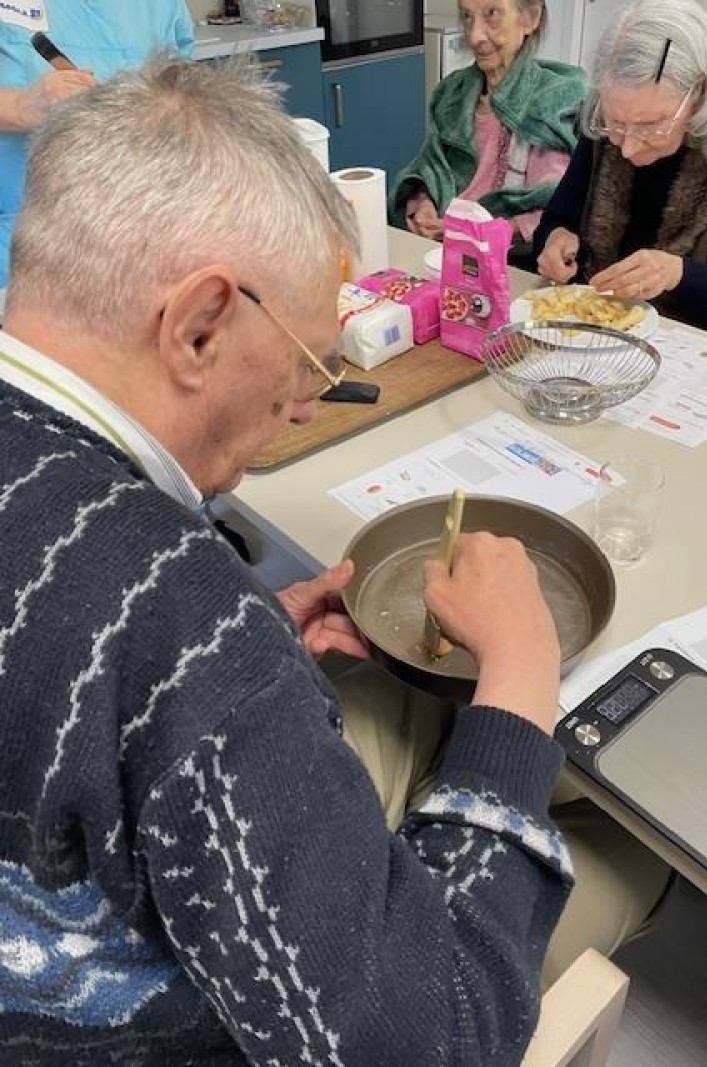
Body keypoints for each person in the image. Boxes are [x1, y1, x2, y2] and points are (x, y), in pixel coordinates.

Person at [0, 59, 574, 1065]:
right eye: (312, 362)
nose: (309, 401)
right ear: (199, 323)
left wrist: (242, 646)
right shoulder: (179, 609)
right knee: (615, 848)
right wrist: (522, 681)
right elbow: (430, 1035)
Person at [532, 0, 707, 350]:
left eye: (650, 127)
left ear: (701, 94)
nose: (626, 147)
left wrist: (678, 274)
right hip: (599, 331)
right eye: (615, 124)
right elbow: (560, 217)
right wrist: (555, 240)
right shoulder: (614, 113)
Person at [0, 1, 194, 289]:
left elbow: (180, 95)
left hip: (137, 232)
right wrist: (20, 105)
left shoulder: (161, 6)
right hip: (24, 234)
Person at [388, 0, 586, 248]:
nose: (474, 36)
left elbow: (551, 211)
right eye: (467, 16)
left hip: (508, 264)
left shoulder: (553, 103)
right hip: (438, 252)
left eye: (491, 14)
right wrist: (422, 206)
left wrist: (475, 233)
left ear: (531, 18)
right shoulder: (452, 93)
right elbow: (428, 168)